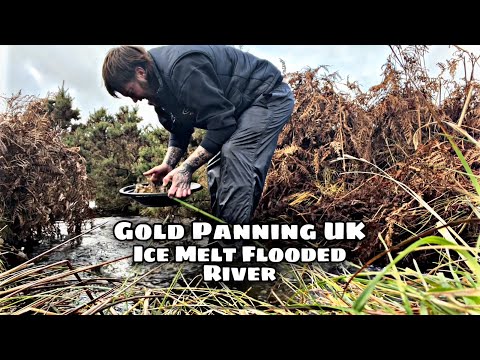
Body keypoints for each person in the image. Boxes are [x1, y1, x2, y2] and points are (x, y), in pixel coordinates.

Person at [102, 45, 294, 225]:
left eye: (130, 92)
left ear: (140, 72)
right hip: (237, 109)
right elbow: (179, 129)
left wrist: (186, 168)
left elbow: (222, 124)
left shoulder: (183, 68)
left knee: (235, 154)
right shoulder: (156, 89)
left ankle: (231, 250)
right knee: (216, 168)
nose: (135, 100)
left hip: (267, 96)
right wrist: (168, 164)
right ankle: (221, 235)